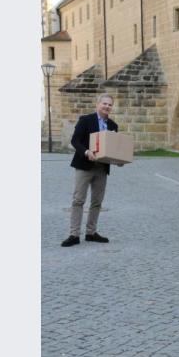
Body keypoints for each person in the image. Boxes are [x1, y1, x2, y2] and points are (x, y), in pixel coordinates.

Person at [61, 94, 121, 247]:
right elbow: (75, 140)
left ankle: (91, 232)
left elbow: (113, 148)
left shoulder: (113, 126)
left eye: (110, 105)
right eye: (104, 103)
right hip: (84, 165)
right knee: (78, 200)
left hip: (102, 168)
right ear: (98, 104)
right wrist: (87, 152)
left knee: (97, 202)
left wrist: (118, 160)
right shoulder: (86, 120)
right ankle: (74, 235)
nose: (107, 107)